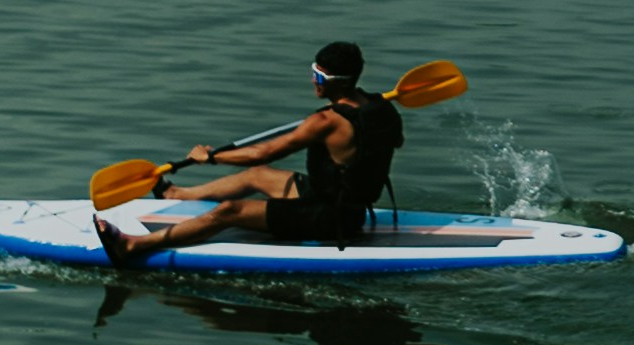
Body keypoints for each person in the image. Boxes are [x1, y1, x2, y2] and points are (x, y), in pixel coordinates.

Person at [98, 43, 409, 269]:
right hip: (343, 199)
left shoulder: (325, 122)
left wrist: (210, 158)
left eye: (316, 76)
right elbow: (396, 143)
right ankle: (178, 193)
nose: (311, 82)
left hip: (328, 217)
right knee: (259, 174)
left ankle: (132, 246)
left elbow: (266, 150)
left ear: (332, 82)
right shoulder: (383, 110)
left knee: (229, 211)